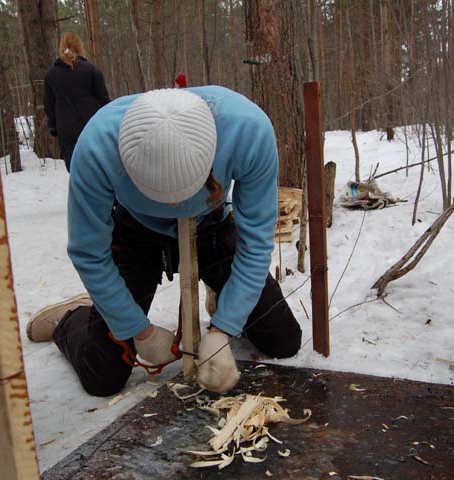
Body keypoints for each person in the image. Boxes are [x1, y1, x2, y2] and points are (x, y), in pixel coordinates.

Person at [27, 86, 302, 396]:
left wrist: (223, 328)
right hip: (135, 231)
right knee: (102, 375)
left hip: (210, 223)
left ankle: (222, 294)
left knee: (282, 341)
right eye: (159, 194)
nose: (174, 206)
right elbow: (88, 252)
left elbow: (255, 245)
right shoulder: (97, 147)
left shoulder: (248, 131)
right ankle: (71, 318)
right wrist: (137, 330)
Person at [44, 32, 110, 172]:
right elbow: (105, 102)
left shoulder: (51, 75)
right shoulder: (92, 70)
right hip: (92, 129)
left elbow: (49, 107)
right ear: (80, 47)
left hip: (67, 133)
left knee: (76, 174)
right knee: (98, 174)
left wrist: (54, 128)